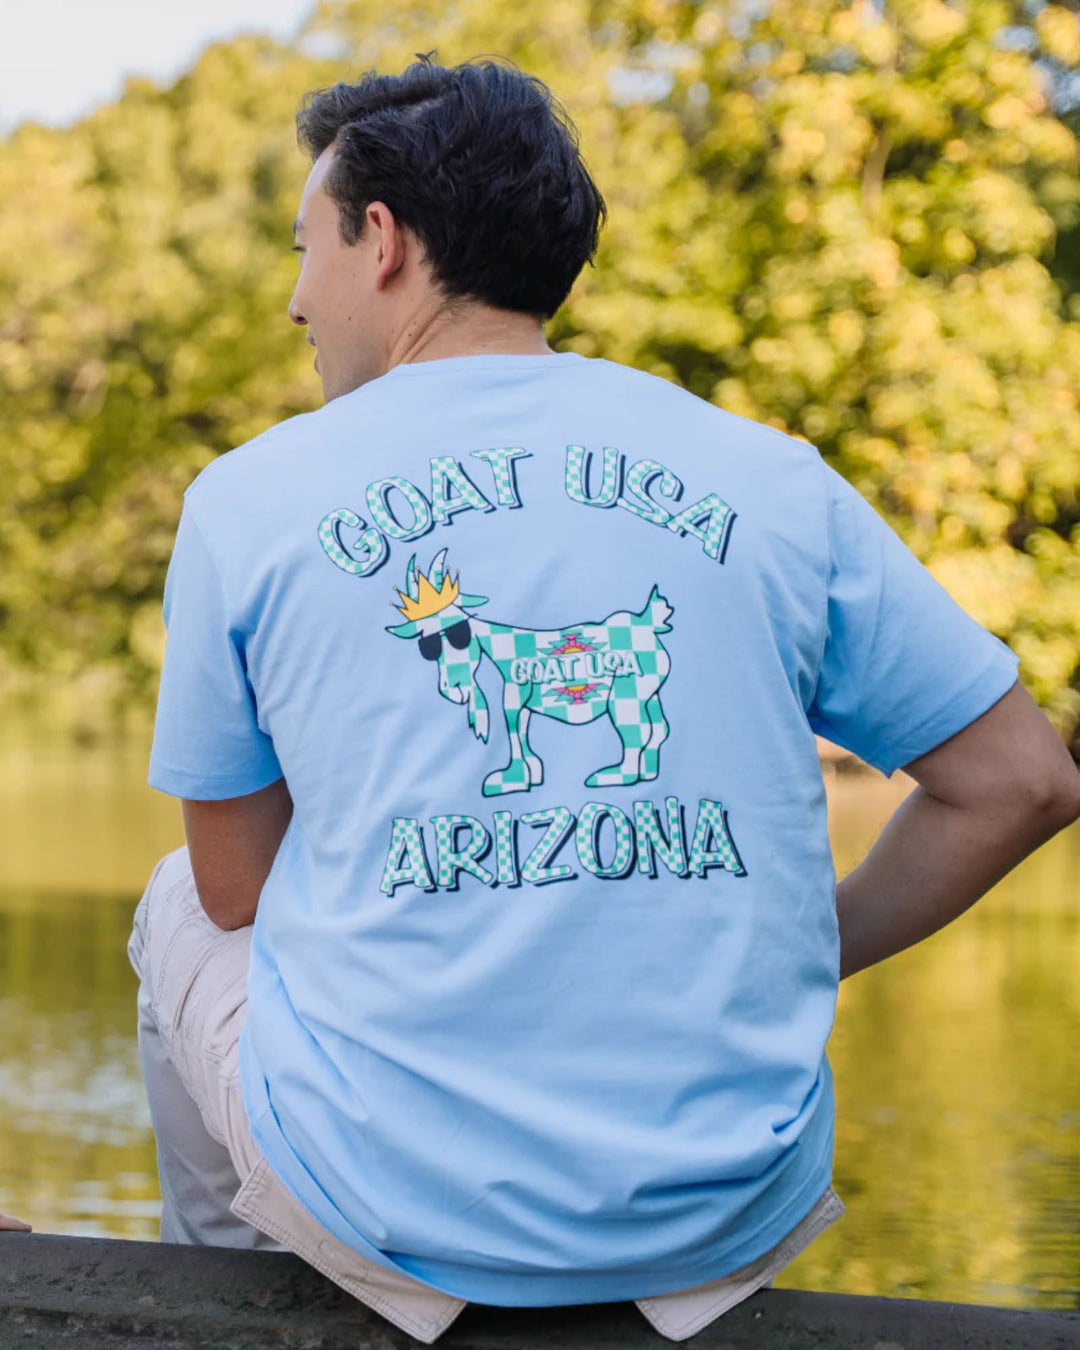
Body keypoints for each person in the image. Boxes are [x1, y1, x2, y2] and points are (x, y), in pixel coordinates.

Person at [131, 53, 1080, 1345]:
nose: (297, 301)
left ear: (385, 243)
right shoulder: (771, 477)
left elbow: (239, 889)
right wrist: (797, 940)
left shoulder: (250, 498)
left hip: (390, 1217)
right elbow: (1024, 781)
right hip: (721, 1217)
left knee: (178, 897)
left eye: (307, 247)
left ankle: (224, 1301)